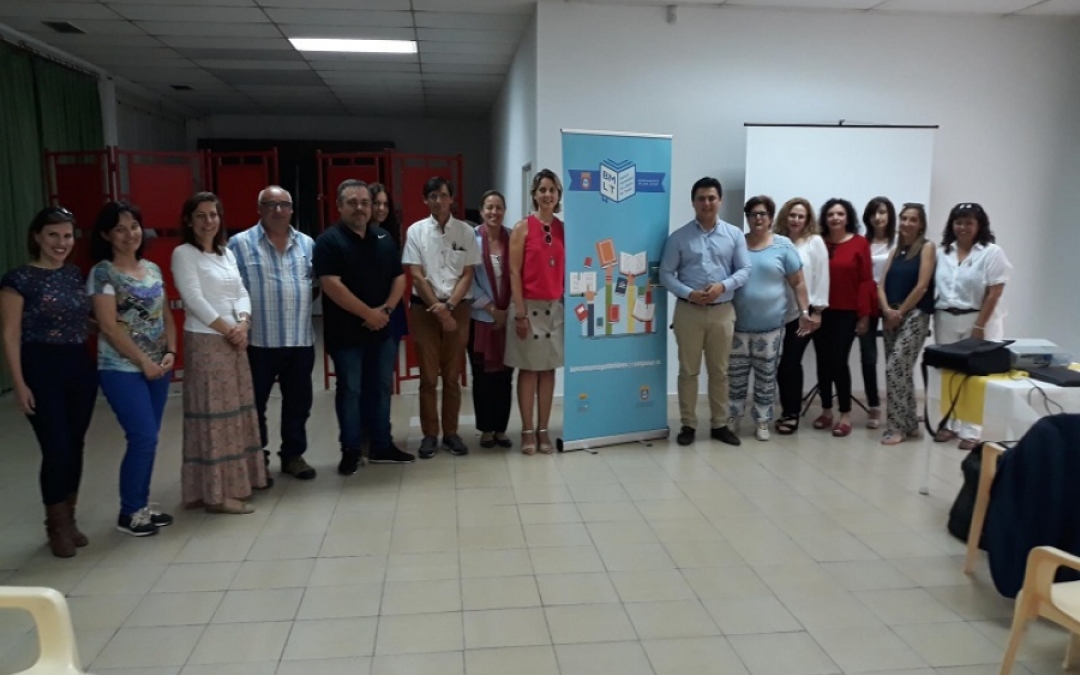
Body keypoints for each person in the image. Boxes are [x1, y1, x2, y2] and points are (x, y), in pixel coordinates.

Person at [1, 207, 98, 557]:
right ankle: (55, 524)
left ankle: (69, 518)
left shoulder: (74, 274)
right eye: (53, 235)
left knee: (75, 445)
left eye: (67, 236)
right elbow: (10, 334)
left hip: (78, 365)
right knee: (55, 447)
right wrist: (19, 384)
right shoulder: (18, 279)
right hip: (40, 368)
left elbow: (81, 321)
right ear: (37, 237)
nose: (61, 242)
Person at [172, 192, 267, 514]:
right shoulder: (184, 254)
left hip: (234, 341)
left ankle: (238, 483)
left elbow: (240, 291)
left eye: (213, 214)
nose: (208, 221)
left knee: (235, 414)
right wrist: (229, 330)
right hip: (207, 342)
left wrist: (244, 323)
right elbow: (194, 299)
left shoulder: (226, 253)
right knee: (214, 416)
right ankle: (216, 493)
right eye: (200, 215)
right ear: (189, 220)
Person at [88, 202, 177, 536]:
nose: (130, 235)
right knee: (142, 436)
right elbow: (108, 327)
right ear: (106, 235)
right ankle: (129, 513)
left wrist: (171, 352)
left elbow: (165, 315)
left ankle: (140, 505)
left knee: (149, 439)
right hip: (121, 368)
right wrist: (143, 362)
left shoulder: (152, 268)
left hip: (158, 368)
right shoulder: (103, 273)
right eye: (120, 229)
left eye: (134, 227)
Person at [314, 179, 413, 475]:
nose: (360, 208)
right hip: (346, 335)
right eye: (353, 202)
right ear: (339, 206)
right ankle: (351, 449)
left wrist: (386, 311)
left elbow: (399, 278)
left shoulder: (383, 238)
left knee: (381, 388)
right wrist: (368, 313)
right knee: (351, 391)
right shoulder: (329, 241)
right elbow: (331, 285)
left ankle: (382, 445)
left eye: (365, 203)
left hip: (382, 331)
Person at [227, 185, 317, 483]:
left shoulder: (307, 244)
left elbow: (315, 285)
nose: (278, 210)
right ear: (259, 209)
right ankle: (258, 459)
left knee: (298, 404)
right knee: (255, 405)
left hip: (299, 339)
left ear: (292, 209)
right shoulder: (239, 244)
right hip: (258, 342)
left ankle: (293, 455)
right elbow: (230, 291)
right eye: (270, 204)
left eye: (283, 204)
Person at [660, 177, 751, 447]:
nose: (707, 203)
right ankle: (688, 424)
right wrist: (688, 293)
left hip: (723, 312)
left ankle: (719, 424)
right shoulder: (679, 237)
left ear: (719, 201)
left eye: (712, 198)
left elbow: (745, 269)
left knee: (720, 372)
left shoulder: (734, 235)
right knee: (688, 371)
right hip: (689, 312)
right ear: (693, 202)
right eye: (701, 198)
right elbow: (666, 274)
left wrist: (723, 286)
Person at [402, 176, 480, 458]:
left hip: (458, 307)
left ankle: (451, 433)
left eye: (444, 195)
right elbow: (416, 275)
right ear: (426, 200)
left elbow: (468, 273)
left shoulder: (466, 231)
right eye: (433, 196)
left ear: (452, 199)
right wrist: (438, 307)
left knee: (452, 376)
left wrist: (450, 306)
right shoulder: (416, 231)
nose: (439, 201)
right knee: (427, 377)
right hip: (425, 308)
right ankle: (429, 435)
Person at [729, 196, 815, 442]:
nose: (758, 218)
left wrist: (805, 313)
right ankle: (733, 417)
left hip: (771, 329)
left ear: (770, 217)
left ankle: (762, 421)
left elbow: (798, 282)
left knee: (766, 378)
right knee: (736, 378)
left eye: (763, 214)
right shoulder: (736, 244)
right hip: (737, 326)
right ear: (747, 217)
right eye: (753, 214)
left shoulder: (783, 246)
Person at [933, 202, 1011, 450]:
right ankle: (949, 423)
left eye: (969, 222)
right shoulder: (943, 252)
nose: (963, 227)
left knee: (974, 375)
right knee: (949, 373)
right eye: (958, 222)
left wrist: (979, 326)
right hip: (945, 317)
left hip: (978, 319)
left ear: (979, 225)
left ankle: (971, 430)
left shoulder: (991, 252)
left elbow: (995, 292)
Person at [506, 169, 566, 455]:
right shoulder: (522, 228)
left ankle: (544, 430)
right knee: (529, 369)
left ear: (558, 195)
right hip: (528, 307)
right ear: (534, 194)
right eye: (542, 189)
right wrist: (520, 313)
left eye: (552, 190)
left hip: (554, 308)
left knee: (548, 370)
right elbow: (513, 272)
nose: (547, 195)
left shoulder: (563, 229)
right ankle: (527, 430)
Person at [812, 198, 874, 437]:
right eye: (830, 214)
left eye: (840, 214)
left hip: (847, 314)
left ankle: (845, 414)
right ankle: (826, 411)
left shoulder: (860, 243)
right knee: (822, 362)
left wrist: (864, 315)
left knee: (839, 362)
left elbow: (866, 282)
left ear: (848, 218)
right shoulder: (818, 242)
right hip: (820, 311)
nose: (835, 218)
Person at [878, 203, 936, 445]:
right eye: (903, 218)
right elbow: (881, 285)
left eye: (913, 219)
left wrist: (900, 313)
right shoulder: (895, 251)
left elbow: (922, 286)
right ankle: (910, 422)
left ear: (921, 224)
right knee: (901, 370)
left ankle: (896, 426)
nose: (906, 223)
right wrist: (886, 311)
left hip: (914, 314)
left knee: (895, 367)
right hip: (891, 313)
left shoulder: (927, 247)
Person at [773, 198, 830, 435]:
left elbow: (822, 276)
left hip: (804, 314)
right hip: (777, 313)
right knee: (779, 364)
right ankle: (786, 409)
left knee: (790, 362)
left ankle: (792, 414)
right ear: (785, 216)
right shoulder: (776, 241)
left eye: (801, 216)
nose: (796, 220)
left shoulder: (814, 242)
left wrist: (817, 311)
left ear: (807, 220)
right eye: (792, 215)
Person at [470, 190, 514, 449]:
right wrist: (491, 309)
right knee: (483, 377)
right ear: (481, 211)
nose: (493, 212)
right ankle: (486, 429)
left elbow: (520, 274)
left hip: (508, 317)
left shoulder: (513, 237)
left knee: (505, 376)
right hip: (481, 319)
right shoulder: (472, 239)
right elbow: (468, 280)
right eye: (489, 207)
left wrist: (506, 311)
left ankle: (501, 429)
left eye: (498, 207)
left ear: (504, 211)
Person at [859, 197, 896, 429]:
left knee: (895, 356)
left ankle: (897, 406)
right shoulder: (862, 242)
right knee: (868, 356)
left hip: (892, 300)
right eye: (873, 213)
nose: (878, 217)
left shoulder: (898, 242)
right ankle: (873, 405)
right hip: (867, 302)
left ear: (890, 215)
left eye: (882, 212)